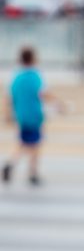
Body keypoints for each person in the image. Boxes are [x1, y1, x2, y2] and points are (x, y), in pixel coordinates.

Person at [3, 47, 64, 186]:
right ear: (33, 58)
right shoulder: (35, 76)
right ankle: (32, 172)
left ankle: (12, 165)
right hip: (34, 115)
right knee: (35, 144)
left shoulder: (16, 77)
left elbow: (9, 97)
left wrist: (7, 114)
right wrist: (59, 104)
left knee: (24, 141)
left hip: (21, 115)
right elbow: (43, 94)